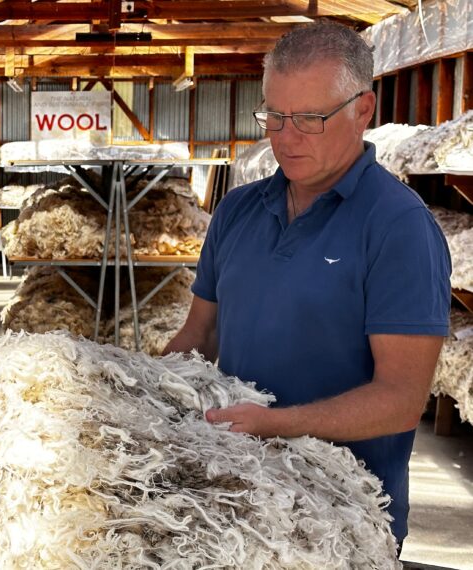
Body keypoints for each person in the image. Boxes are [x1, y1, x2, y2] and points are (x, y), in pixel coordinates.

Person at [164, 22, 450, 549]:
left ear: (362, 110)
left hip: (342, 521)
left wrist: (276, 424)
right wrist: (141, 389)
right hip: (234, 502)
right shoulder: (236, 212)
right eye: (273, 115)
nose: (285, 137)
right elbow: (199, 337)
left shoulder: (398, 228)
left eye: (310, 119)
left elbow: (400, 399)